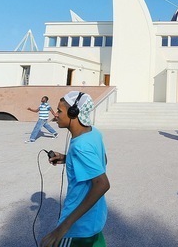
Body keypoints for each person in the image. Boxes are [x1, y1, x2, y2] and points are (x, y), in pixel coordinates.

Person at [41, 91, 110, 247]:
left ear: (74, 113)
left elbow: (102, 184)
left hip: (77, 229)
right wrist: (68, 158)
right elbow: (102, 160)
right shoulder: (93, 132)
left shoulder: (80, 146)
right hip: (94, 221)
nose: (56, 115)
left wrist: (62, 228)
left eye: (59, 111)